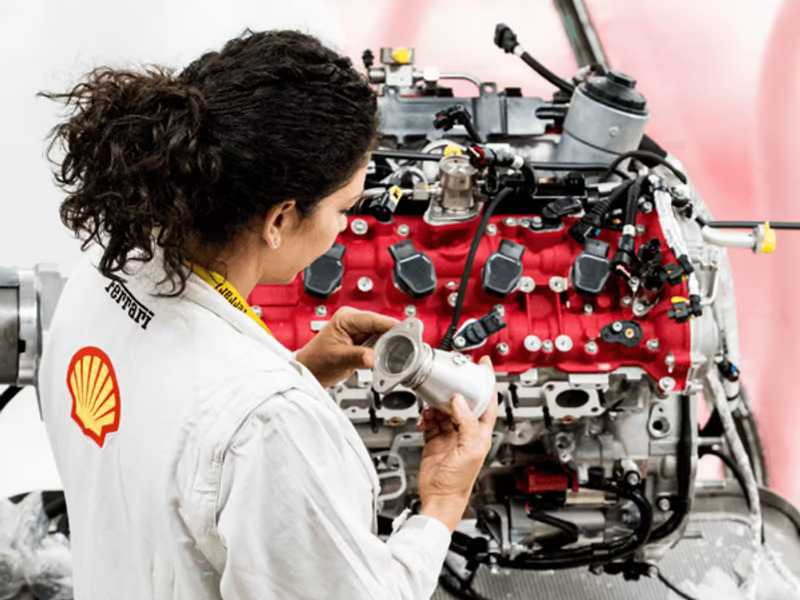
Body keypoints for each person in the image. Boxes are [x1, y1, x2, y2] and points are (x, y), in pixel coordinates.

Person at [38, 29, 498, 599]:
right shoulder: (271, 423)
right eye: (343, 208)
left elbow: (169, 440)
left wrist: (296, 369)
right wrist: (444, 502)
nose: (341, 231)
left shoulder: (107, 268)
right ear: (279, 218)